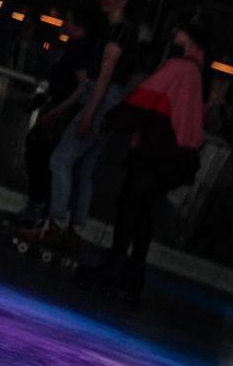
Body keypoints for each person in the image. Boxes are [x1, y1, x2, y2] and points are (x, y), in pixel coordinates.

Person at [73, 15, 212, 303]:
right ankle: (132, 274)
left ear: (189, 36)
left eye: (180, 28)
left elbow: (144, 98)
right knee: (143, 212)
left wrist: (112, 120)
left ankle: (115, 267)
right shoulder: (196, 71)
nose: (175, 31)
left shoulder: (178, 67)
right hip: (176, 155)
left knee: (130, 207)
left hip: (156, 151)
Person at [18, 0, 141, 256]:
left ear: (123, 0)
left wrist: (88, 113)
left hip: (101, 98)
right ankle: (73, 230)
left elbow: (105, 75)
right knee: (84, 169)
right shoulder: (121, 32)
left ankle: (55, 225)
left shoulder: (117, 32)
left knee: (60, 160)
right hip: (107, 99)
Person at [9, 6, 95, 224]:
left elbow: (82, 86)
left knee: (42, 156)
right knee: (39, 155)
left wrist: (58, 110)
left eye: (69, 19)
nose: (64, 23)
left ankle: (41, 209)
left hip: (62, 112)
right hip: (59, 108)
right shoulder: (76, 48)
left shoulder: (81, 49)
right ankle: (39, 207)